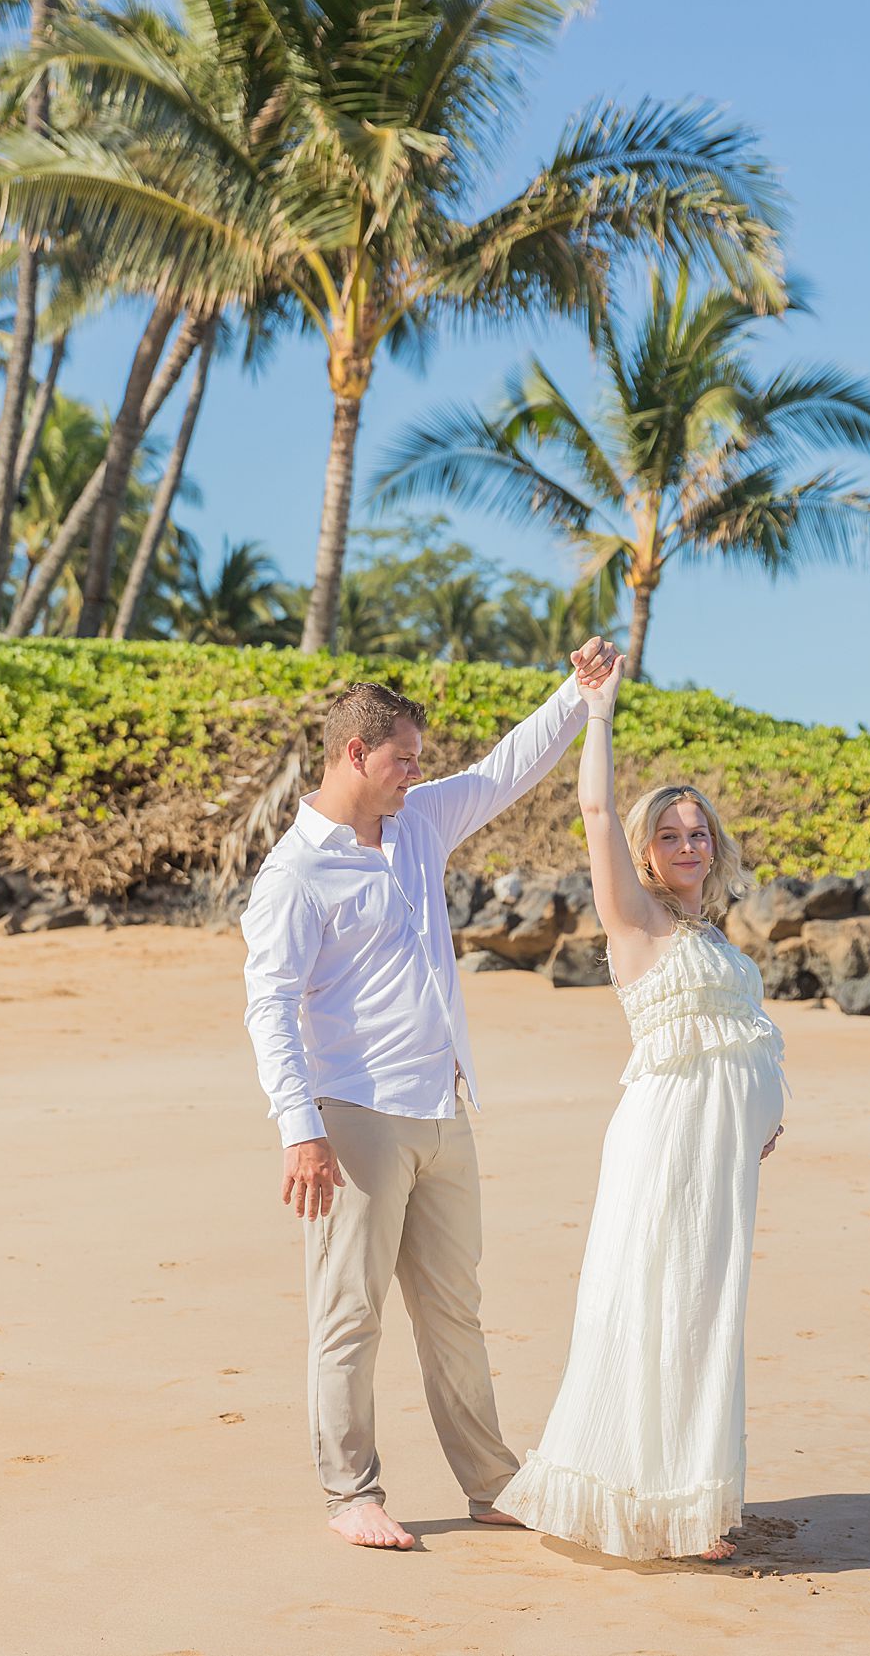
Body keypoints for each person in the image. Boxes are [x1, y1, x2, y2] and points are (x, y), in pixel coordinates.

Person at [239, 637, 618, 1550]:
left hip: (443, 1111)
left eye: (419, 757)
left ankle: (493, 1482)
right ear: (353, 754)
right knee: (351, 1312)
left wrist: (575, 692)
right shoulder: (294, 873)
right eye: (403, 757)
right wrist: (301, 1129)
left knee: (455, 1308)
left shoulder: (418, 824)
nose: (418, 770)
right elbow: (268, 1007)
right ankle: (351, 1493)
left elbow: (504, 771)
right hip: (354, 1118)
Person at [492, 652, 791, 1562]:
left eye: (700, 831)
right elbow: (591, 812)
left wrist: (762, 1109)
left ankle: (693, 1496)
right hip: (667, 1146)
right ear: (647, 847)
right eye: (670, 833)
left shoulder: (710, 932)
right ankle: (654, 1499)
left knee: (706, 1310)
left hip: (721, 1153)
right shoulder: (638, 919)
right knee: (657, 1302)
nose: (689, 844)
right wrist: (599, 713)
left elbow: (739, 1032)